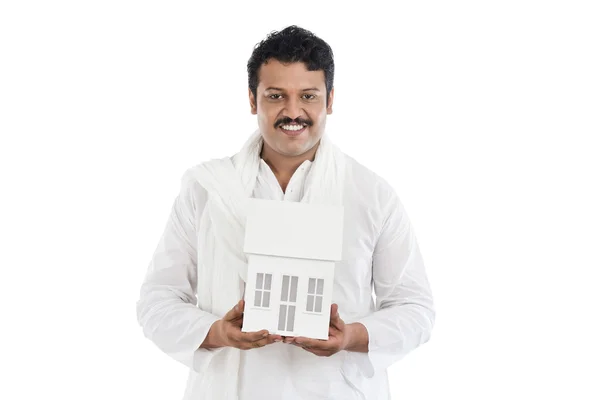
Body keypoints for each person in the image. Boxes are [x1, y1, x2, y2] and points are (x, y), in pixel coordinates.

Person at [136, 25, 435, 400]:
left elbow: (415, 308)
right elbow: (157, 301)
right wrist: (217, 332)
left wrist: (351, 337)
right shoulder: (206, 188)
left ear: (329, 100)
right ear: (252, 99)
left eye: (308, 96)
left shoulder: (372, 194)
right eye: (276, 95)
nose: (293, 112)